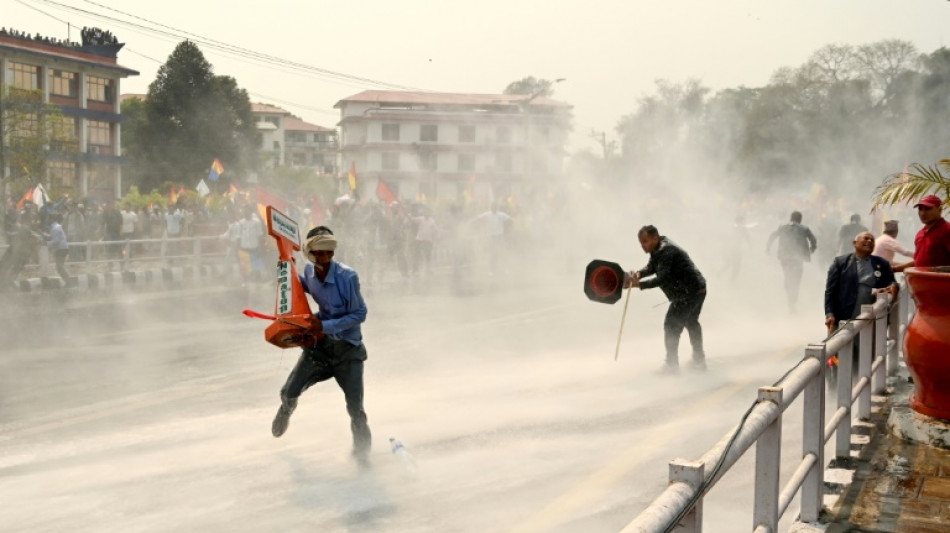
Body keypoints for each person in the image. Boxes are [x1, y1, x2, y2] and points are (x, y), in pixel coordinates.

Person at [272, 226, 372, 464]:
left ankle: (363, 455)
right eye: (319, 253)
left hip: (348, 350)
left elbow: (360, 313)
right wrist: (287, 272)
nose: (324, 257)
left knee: (355, 409)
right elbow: (304, 287)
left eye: (328, 252)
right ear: (310, 254)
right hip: (321, 348)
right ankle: (286, 410)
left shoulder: (348, 277)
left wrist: (325, 326)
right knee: (288, 392)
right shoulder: (310, 271)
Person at [625, 225, 707, 374]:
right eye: (641, 243)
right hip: (698, 289)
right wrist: (640, 273)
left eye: (645, 241)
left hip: (688, 293)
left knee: (671, 325)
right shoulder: (659, 247)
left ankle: (672, 366)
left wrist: (639, 284)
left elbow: (662, 278)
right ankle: (699, 360)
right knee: (691, 322)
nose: (643, 246)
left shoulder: (665, 251)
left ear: (655, 238)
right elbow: (653, 266)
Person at [824, 231, 897, 380]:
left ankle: (859, 390)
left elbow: (892, 282)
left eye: (872, 239)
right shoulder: (840, 263)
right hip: (844, 319)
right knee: (839, 357)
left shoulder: (881, 264)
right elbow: (830, 291)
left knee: (865, 357)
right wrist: (830, 313)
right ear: (854, 243)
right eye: (865, 238)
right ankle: (836, 390)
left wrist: (892, 287)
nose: (869, 241)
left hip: (870, 322)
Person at [766, 211, 818, 312]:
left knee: (787, 276)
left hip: (784, 257)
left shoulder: (783, 227)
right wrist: (812, 249)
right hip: (797, 257)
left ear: (791, 218)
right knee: (796, 279)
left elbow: (772, 236)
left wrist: (768, 247)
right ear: (800, 219)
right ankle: (792, 300)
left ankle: (789, 298)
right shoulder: (804, 229)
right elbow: (813, 240)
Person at [894, 194, 950, 272]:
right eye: (920, 209)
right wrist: (894, 269)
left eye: (927, 209)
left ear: (940, 210)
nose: (922, 213)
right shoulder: (920, 234)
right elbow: (918, 263)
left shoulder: (947, 230)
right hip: (919, 282)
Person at [47, 213, 70, 284]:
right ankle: (68, 281)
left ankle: (69, 281)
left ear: (52, 219)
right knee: (59, 267)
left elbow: (56, 241)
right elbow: (53, 237)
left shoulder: (55, 228)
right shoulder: (55, 227)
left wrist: (47, 243)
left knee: (59, 267)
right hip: (62, 248)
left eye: (49, 218)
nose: (47, 220)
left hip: (60, 249)